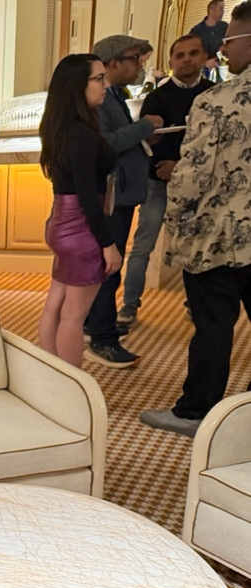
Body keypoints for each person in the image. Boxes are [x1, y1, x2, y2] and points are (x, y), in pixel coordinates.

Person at [141, 1, 251, 437]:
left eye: (229, 40)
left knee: (213, 325)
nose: (222, 49)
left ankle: (196, 412)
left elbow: (193, 175)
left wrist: (177, 225)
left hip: (220, 236)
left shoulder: (217, 100)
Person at [118, 35, 214, 329]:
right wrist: (166, 166)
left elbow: (213, 144)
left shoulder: (213, 95)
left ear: (203, 57)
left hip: (197, 186)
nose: (186, 60)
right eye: (180, 55)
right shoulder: (157, 97)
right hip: (157, 180)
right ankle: (129, 304)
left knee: (196, 245)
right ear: (171, 61)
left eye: (193, 53)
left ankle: (194, 303)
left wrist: (180, 167)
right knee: (143, 244)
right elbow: (149, 140)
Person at [83, 35, 165, 368]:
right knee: (108, 267)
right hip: (112, 196)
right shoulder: (99, 99)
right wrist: (143, 127)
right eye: (135, 58)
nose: (140, 64)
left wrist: (142, 135)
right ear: (114, 63)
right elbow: (106, 143)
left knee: (108, 266)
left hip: (123, 193)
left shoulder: (115, 94)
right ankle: (102, 338)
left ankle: (95, 322)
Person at [37, 54, 121, 367]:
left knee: (56, 306)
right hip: (81, 227)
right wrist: (108, 243)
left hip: (61, 221)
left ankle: (51, 376)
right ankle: (71, 384)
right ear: (77, 86)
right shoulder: (81, 134)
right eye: (98, 78)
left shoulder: (61, 127)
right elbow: (88, 196)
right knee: (73, 315)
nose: (106, 84)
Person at [191, 0, 228, 76]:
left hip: (224, 68)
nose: (223, 11)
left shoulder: (225, 26)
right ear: (212, 10)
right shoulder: (196, 31)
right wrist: (204, 63)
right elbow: (191, 53)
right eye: (221, 9)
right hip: (205, 71)